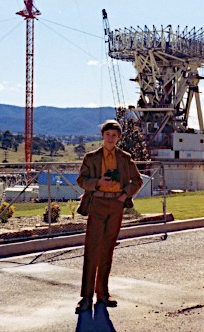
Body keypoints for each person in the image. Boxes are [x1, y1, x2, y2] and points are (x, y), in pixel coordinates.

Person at [75, 120, 143, 314]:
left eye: (114, 135)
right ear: (102, 136)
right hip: (97, 203)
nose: (110, 138)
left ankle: (102, 294)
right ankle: (86, 297)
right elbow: (81, 180)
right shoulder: (91, 157)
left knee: (107, 249)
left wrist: (124, 195)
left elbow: (137, 180)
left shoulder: (125, 158)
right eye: (107, 134)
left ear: (119, 137)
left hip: (116, 205)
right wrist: (98, 183)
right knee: (92, 249)